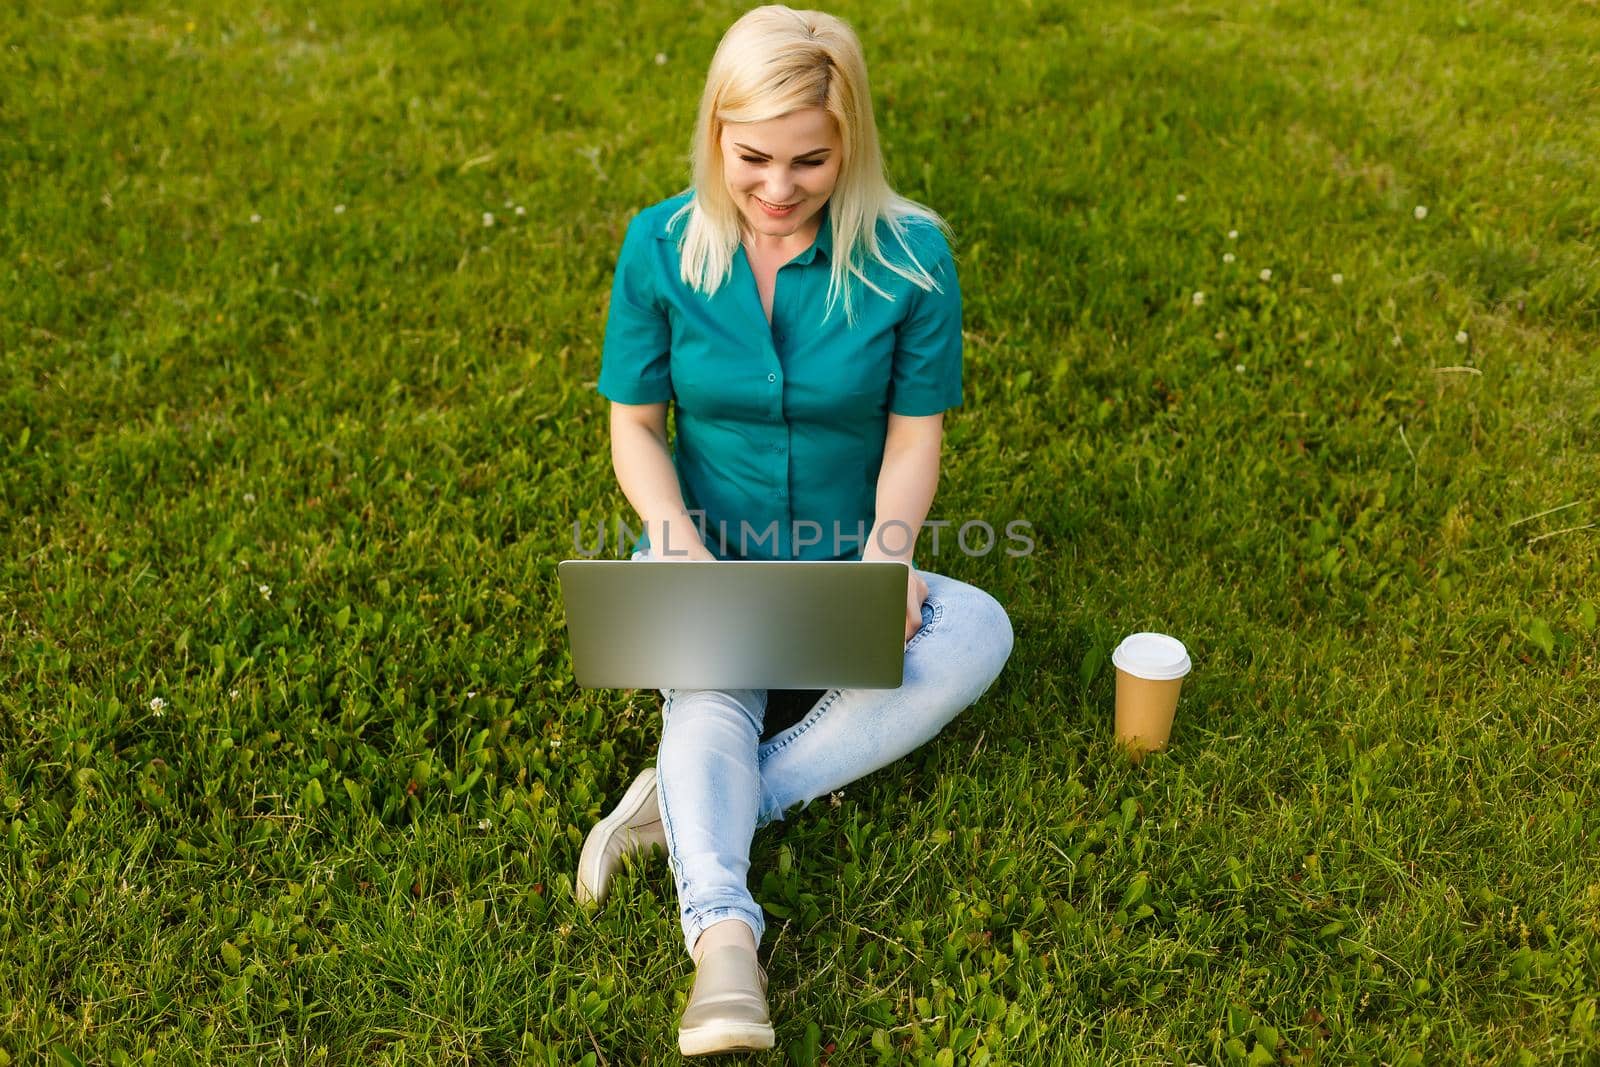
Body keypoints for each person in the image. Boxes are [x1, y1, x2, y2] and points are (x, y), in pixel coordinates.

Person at [576, 4, 1015, 1056]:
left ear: (850, 139)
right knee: (713, 682)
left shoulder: (910, 257)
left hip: (840, 558)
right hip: (704, 546)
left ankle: (700, 801)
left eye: (810, 160)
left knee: (978, 630)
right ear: (715, 133)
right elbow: (633, 425)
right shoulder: (660, 245)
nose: (778, 189)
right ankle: (724, 940)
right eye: (752, 158)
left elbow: (914, 438)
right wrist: (672, 537)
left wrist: (890, 554)